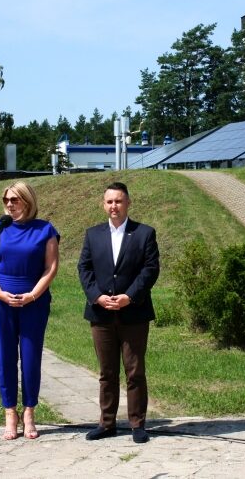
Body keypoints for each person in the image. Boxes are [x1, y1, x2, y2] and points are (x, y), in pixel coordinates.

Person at [78, 182, 160, 444]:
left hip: (133, 313)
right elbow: (84, 268)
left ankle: (137, 423)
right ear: (104, 204)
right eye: (110, 201)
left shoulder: (144, 233)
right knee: (107, 372)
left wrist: (129, 297)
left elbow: (150, 270)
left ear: (128, 203)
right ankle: (107, 423)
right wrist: (97, 296)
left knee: (134, 371)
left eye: (119, 201)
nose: (114, 206)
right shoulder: (93, 234)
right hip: (101, 314)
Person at [0, 181, 60, 440]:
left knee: (30, 356)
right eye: (6, 200)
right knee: (4, 357)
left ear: (27, 200)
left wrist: (33, 294)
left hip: (33, 302)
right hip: (1, 301)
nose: (9, 204)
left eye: (14, 199)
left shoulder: (45, 229)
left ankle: (29, 413)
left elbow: (51, 267)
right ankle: (10, 413)